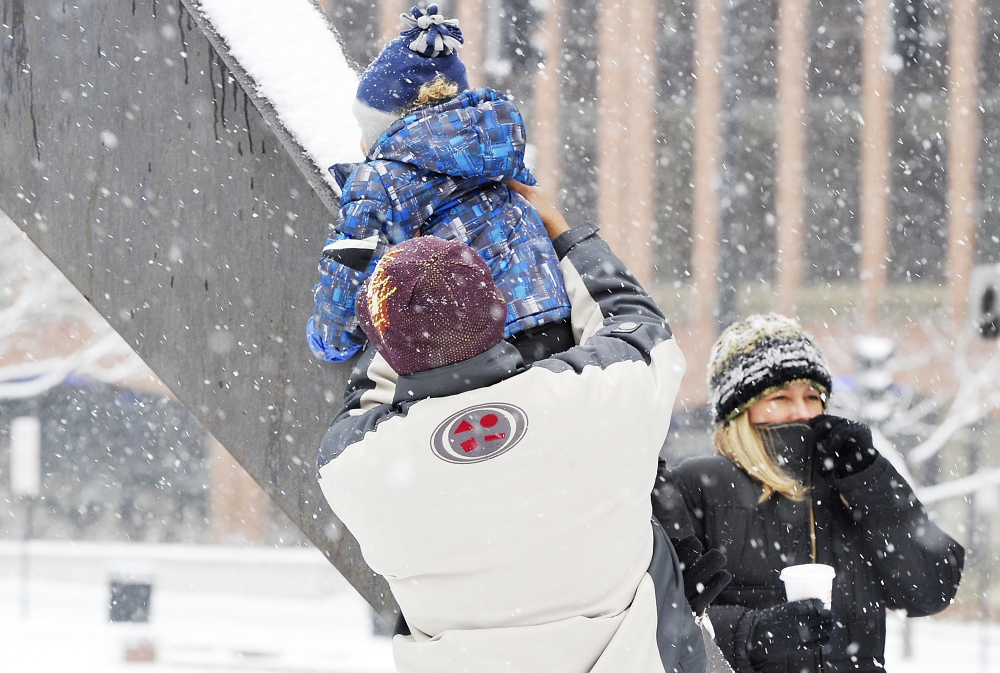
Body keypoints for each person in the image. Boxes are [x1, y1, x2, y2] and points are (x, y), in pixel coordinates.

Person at [316, 183, 707, 673]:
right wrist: (566, 237)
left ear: (385, 348)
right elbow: (635, 324)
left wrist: (400, 309)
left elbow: (364, 402)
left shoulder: (355, 465)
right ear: (500, 306)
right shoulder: (596, 397)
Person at [652, 313, 965, 673]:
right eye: (781, 397)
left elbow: (929, 591)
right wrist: (753, 635)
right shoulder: (697, 484)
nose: (801, 412)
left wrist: (870, 480)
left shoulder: (850, 483)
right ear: (740, 411)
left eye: (812, 396)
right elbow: (660, 617)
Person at [307, 4, 571, 368]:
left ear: (386, 128)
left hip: (471, 348)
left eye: (366, 129)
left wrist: (327, 339)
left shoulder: (379, 182)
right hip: (554, 330)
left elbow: (348, 282)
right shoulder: (496, 155)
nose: (361, 144)